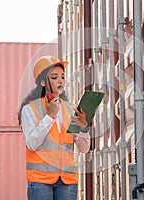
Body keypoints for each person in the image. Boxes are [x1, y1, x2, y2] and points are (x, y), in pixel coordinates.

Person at [18, 55, 90, 200]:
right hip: (40, 181)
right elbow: (32, 144)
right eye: (55, 77)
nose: (60, 81)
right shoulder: (30, 110)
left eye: (62, 77)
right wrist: (50, 116)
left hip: (67, 181)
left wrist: (83, 129)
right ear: (43, 82)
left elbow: (84, 149)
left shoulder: (71, 109)